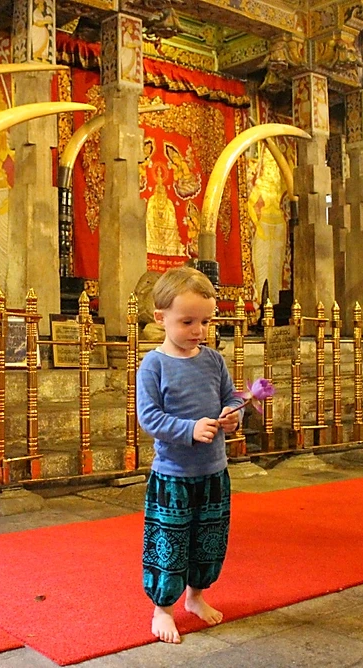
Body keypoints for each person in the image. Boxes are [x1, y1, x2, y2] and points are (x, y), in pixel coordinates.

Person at [136, 266, 242, 644]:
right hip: (173, 475)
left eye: (205, 321)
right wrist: (190, 429)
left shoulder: (213, 360)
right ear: (161, 318)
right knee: (171, 542)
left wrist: (233, 415)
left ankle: (196, 596)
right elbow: (149, 417)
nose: (198, 330)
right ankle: (162, 608)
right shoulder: (154, 364)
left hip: (214, 471)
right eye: (187, 321)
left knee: (209, 539)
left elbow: (232, 397)